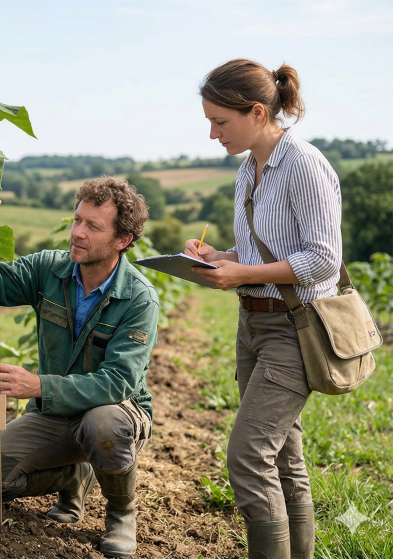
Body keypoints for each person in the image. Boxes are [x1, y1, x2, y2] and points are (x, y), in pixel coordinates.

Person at [0, 179, 158, 558]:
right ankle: (73, 476)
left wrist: (39, 386)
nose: (77, 233)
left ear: (123, 240)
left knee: (103, 427)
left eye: (93, 227)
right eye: (77, 220)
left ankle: (121, 512)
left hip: (115, 411)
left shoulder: (138, 297)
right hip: (54, 416)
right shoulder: (49, 269)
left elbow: (119, 381)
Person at [186, 59, 341, 559]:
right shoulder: (246, 171)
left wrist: (243, 273)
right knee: (283, 460)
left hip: (294, 331)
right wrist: (219, 260)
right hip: (252, 325)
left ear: (256, 112)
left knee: (249, 458)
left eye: (220, 121)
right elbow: (256, 254)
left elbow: (323, 260)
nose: (212, 133)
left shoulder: (303, 164)